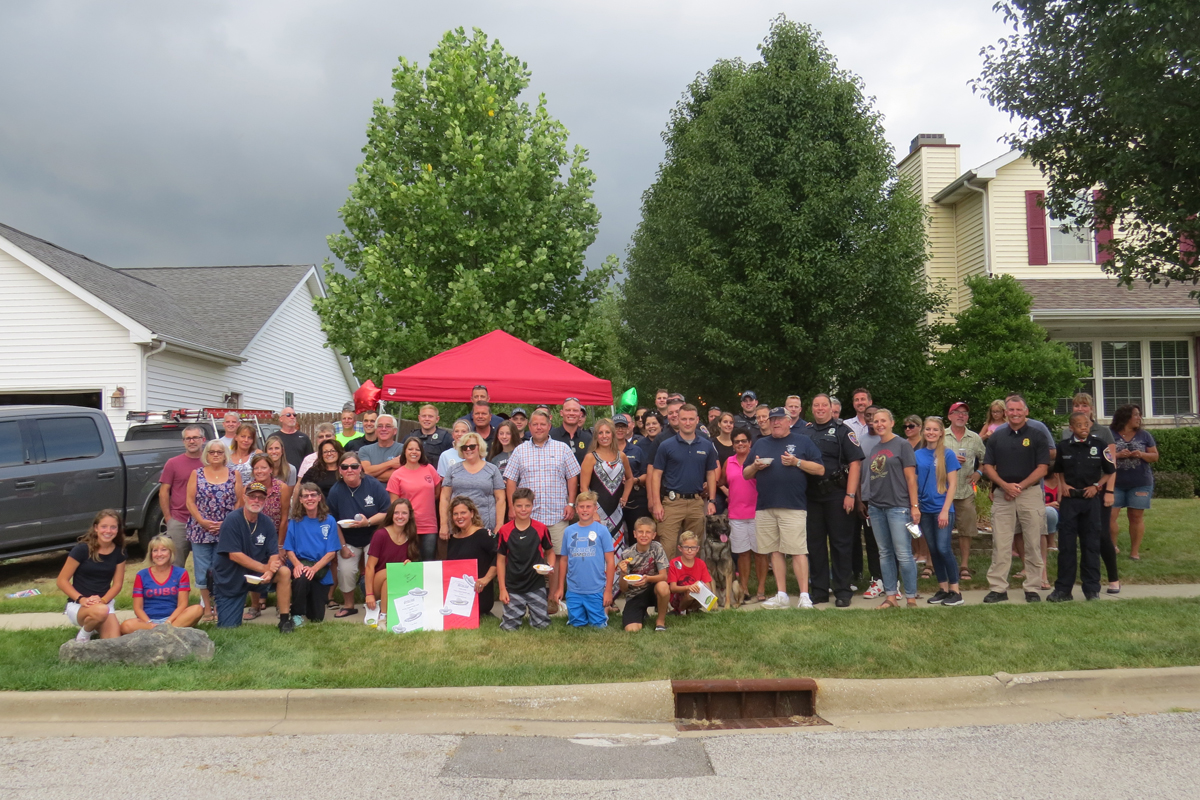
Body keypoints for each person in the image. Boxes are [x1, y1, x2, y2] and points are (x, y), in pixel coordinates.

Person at [743, 407, 825, 610]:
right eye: (772, 420)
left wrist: (797, 462)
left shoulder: (803, 441)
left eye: (779, 419)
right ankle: (782, 595)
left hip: (793, 505)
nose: (775, 423)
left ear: (789, 421)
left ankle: (804, 596)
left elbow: (820, 469)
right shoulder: (761, 443)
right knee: (775, 550)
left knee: (797, 551)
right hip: (765, 506)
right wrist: (755, 467)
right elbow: (746, 473)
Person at [981, 394, 1052, 603]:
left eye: (1018, 410)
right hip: (1004, 496)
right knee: (1001, 543)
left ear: (1026, 412)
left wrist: (1020, 486)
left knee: (1032, 542)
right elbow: (987, 466)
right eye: (1010, 410)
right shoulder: (996, 437)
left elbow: (1043, 468)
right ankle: (998, 588)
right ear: (1006, 413)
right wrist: (1004, 486)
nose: (1014, 413)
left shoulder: (1037, 435)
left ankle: (1032, 588)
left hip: (1029, 494)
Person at [802, 394, 864, 608]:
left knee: (841, 544)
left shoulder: (842, 431)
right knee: (815, 545)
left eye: (823, 405)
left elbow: (855, 463)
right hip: (812, 496)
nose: (820, 408)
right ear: (812, 408)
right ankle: (819, 591)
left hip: (837, 495)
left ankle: (843, 590)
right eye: (816, 405)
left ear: (831, 408)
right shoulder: (805, 432)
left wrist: (850, 495)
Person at [1048, 412, 1117, 602]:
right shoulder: (1063, 447)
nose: (1083, 428)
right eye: (1079, 425)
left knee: (1091, 545)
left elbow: (1110, 470)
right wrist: (1063, 486)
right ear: (1071, 428)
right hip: (1070, 500)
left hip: (1090, 500)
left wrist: (1097, 487)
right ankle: (1063, 590)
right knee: (1067, 546)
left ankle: (1092, 590)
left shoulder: (1099, 445)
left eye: (1086, 424)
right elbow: (1059, 470)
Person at [859, 409, 920, 609]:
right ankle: (891, 596)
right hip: (877, 507)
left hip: (898, 507)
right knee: (884, 553)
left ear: (892, 422)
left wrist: (914, 506)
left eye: (883, 420)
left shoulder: (902, 445)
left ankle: (910, 597)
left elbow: (911, 478)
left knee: (903, 554)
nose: (879, 424)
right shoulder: (875, 448)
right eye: (876, 421)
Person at [211, 482, 293, 631]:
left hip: (256, 575)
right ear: (244, 497)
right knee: (228, 628)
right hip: (230, 578)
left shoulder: (267, 523)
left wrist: (269, 571)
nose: (256, 500)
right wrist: (265, 567)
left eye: (260, 498)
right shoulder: (232, 520)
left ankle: (284, 621)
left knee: (284, 572)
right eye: (252, 496)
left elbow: (274, 554)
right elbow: (234, 555)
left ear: (265, 500)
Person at [503, 407, 581, 560]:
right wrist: (512, 508)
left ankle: (556, 585)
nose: (539, 428)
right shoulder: (519, 451)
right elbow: (511, 480)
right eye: (535, 424)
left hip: (557, 514)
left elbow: (572, 477)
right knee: (529, 556)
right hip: (529, 516)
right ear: (529, 427)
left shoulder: (562, 449)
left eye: (542, 424)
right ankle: (535, 585)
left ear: (549, 426)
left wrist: (571, 504)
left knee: (558, 555)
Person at [1065, 393, 1119, 592]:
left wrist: (1109, 491)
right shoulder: (1067, 433)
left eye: (1084, 406)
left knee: (1102, 535)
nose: (1080, 409)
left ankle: (1113, 578)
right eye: (1076, 405)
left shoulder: (1103, 432)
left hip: (1099, 492)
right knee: (1075, 537)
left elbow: (1111, 465)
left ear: (1091, 409)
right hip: (1075, 495)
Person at [649, 404, 718, 559]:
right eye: (684, 419)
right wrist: (656, 503)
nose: (687, 422)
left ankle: (691, 582)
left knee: (693, 548)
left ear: (697, 420)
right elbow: (656, 475)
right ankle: (667, 583)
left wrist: (712, 500)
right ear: (677, 420)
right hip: (672, 503)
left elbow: (711, 473)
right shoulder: (666, 445)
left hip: (696, 502)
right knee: (668, 548)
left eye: (691, 419)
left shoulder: (706, 445)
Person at [327, 452, 391, 615]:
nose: (350, 470)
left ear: (360, 468)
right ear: (340, 470)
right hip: (348, 539)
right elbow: (333, 523)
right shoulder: (335, 491)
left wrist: (367, 522)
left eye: (354, 466)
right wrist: (342, 547)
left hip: (373, 536)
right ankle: (349, 605)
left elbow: (386, 512)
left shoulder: (373, 485)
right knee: (346, 570)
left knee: (374, 569)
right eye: (345, 467)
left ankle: (375, 603)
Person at [186, 439, 243, 621]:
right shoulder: (197, 474)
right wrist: (201, 521)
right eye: (212, 452)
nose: (216, 455)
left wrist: (227, 523)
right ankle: (207, 608)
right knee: (202, 569)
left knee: (222, 569)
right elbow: (189, 501)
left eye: (219, 452)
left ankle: (220, 605)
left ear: (225, 454)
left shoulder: (235, 474)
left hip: (226, 530)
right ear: (206, 455)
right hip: (200, 529)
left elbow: (240, 501)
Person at [56, 510, 127, 642]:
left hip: (104, 603)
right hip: (79, 605)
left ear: (118, 530)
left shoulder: (119, 552)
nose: (108, 531)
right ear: (96, 528)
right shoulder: (81, 550)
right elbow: (61, 581)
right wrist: (82, 599)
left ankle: (95, 625)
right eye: (104, 526)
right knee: (99, 612)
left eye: (113, 527)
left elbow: (117, 585)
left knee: (114, 642)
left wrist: (103, 600)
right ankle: (83, 636)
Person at [916, 417, 963, 606]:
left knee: (944, 548)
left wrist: (945, 510)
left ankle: (955, 590)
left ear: (941, 432)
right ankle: (943, 588)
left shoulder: (948, 455)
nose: (931, 432)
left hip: (942, 509)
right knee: (933, 550)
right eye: (928, 429)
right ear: (923, 432)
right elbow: (914, 481)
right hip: (925, 509)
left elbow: (952, 485)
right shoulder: (917, 454)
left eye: (935, 429)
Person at [551, 491, 615, 628]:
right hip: (574, 589)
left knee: (597, 625)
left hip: (596, 589)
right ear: (576, 509)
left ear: (595, 509)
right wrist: (560, 587)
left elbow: (610, 561)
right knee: (576, 624)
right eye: (581, 507)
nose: (585, 510)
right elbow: (563, 560)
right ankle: (579, 612)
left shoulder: (602, 531)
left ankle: (604, 611)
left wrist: (608, 590)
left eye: (588, 506)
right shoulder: (569, 531)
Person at [120, 534, 204, 634]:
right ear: (151, 554)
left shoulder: (181, 573)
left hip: (173, 620)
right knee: (126, 625)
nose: (159, 554)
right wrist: (149, 623)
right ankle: (167, 633)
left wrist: (168, 622)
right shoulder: (141, 575)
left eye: (163, 550)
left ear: (170, 552)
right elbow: (138, 608)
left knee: (197, 609)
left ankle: (164, 632)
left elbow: (182, 604)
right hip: (148, 622)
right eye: (155, 550)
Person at [496, 487, 554, 631]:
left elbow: (550, 551)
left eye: (527, 505)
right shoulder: (504, 531)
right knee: (509, 628)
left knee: (542, 626)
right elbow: (500, 561)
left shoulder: (541, 528)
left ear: (532, 506)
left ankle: (537, 616)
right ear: (513, 506)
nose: (523, 509)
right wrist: (502, 589)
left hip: (536, 584)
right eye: (519, 506)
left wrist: (550, 566)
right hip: (513, 587)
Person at [844, 390, 883, 598]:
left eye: (875, 416)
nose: (871, 419)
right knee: (869, 541)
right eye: (868, 416)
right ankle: (874, 578)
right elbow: (856, 472)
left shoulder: (893, 441)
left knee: (884, 542)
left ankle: (888, 579)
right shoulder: (859, 441)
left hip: (887, 499)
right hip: (865, 498)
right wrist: (858, 500)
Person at [244, 453, 292, 618]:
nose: (259, 471)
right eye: (256, 468)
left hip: (277, 535)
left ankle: (281, 606)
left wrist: (280, 546)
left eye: (263, 467)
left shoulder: (282, 488)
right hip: (255, 536)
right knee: (254, 568)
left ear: (271, 469)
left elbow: (285, 517)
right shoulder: (249, 488)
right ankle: (255, 606)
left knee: (280, 569)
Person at [724, 427, 769, 603]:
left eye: (744, 441)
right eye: (737, 441)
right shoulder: (729, 461)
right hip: (736, 514)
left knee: (760, 552)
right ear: (732, 444)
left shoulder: (758, 461)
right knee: (742, 553)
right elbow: (721, 481)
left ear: (750, 443)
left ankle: (761, 588)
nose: (740, 444)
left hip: (758, 511)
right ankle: (743, 587)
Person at [284, 483, 340, 622]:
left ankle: (308, 607)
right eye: (305, 496)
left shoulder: (329, 521)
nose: (310, 499)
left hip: (320, 569)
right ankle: (296, 614)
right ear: (301, 500)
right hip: (302, 565)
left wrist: (314, 569)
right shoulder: (295, 521)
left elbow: (331, 553)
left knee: (316, 617)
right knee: (302, 577)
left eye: (313, 495)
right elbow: (289, 549)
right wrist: (297, 565)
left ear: (319, 498)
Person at [365, 498, 421, 630]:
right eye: (396, 513)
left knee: (391, 577)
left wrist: (410, 563)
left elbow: (411, 565)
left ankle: (386, 615)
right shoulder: (380, 535)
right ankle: (383, 618)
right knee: (391, 572)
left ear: (410, 515)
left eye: (404, 513)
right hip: (374, 582)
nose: (400, 516)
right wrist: (369, 594)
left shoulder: (411, 535)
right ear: (391, 514)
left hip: (396, 581)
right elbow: (369, 567)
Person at [945, 402, 985, 581]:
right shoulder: (941, 436)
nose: (961, 416)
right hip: (943, 491)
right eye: (957, 412)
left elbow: (986, 459)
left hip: (965, 490)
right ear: (950, 416)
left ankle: (964, 566)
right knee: (939, 528)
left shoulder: (974, 438)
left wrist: (979, 472)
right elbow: (930, 458)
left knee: (966, 530)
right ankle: (933, 564)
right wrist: (949, 459)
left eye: (964, 413)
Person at [158, 424, 206, 569]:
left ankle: (205, 592)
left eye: (195, 438)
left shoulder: (210, 462)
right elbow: (163, 491)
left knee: (205, 565)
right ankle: (174, 591)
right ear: (183, 441)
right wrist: (169, 518)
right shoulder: (173, 463)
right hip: (179, 521)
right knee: (175, 564)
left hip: (204, 522)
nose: (192, 441)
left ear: (203, 439)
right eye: (188, 438)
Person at [579, 418, 634, 544]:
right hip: (597, 510)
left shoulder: (622, 456)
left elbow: (630, 478)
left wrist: (625, 496)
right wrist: (593, 511)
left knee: (617, 546)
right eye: (600, 433)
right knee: (597, 544)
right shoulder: (590, 458)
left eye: (607, 432)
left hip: (617, 510)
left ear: (613, 435)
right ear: (596, 436)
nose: (604, 436)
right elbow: (584, 488)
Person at [387, 437, 442, 559]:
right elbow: (394, 504)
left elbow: (437, 493)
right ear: (404, 452)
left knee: (428, 563)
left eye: (417, 449)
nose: (414, 452)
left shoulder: (429, 469)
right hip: (407, 526)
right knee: (407, 563)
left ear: (421, 452)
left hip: (429, 525)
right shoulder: (397, 475)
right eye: (410, 449)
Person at [445, 496, 499, 616]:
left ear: (472, 513)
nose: (459, 517)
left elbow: (500, 556)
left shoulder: (483, 534)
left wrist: (486, 579)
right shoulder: (453, 539)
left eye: (463, 512)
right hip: (457, 595)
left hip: (479, 593)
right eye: (455, 514)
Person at [441, 432, 506, 532]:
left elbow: (500, 498)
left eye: (472, 446)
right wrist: (444, 525)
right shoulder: (452, 470)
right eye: (464, 447)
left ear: (479, 447)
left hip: (485, 526)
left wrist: (500, 524)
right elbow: (445, 498)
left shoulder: (492, 469)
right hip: (458, 526)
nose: (468, 449)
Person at [619, 517, 670, 631]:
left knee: (663, 586)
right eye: (640, 532)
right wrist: (623, 573)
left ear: (653, 535)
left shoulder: (657, 548)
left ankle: (660, 621)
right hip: (635, 594)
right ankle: (641, 612)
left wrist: (647, 579)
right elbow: (623, 588)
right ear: (634, 534)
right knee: (632, 630)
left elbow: (664, 576)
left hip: (653, 590)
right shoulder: (627, 554)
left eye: (648, 532)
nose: (644, 535)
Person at [614, 414, 649, 543]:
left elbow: (646, 474)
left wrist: (635, 480)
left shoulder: (636, 450)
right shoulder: (605, 450)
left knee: (637, 535)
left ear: (628, 428)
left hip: (635, 499)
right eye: (616, 427)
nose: (620, 430)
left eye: (623, 426)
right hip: (612, 499)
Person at [667, 530, 714, 614]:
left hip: (697, 595)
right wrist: (688, 587)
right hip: (678, 597)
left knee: (695, 590)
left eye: (693, 548)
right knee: (690, 592)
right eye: (686, 547)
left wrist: (699, 585)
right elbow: (672, 588)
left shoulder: (701, 563)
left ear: (698, 549)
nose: (689, 551)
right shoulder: (674, 563)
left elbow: (708, 587)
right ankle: (681, 610)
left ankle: (693, 609)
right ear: (680, 548)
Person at [360, 414, 405, 484]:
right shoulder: (365, 450)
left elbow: (399, 475)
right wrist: (391, 463)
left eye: (388, 426)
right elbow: (366, 472)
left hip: (394, 494)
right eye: (380, 426)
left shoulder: (403, 449)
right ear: (375, 430)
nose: (383, 429)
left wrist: (372, 474)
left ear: (395, 431)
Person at [552, 398, 593, 463]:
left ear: (580, 414)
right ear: (561, 413)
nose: (571, 413)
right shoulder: (551, 437)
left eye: (575, 410)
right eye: (568, 410)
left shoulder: (588, 439)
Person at [228, 423, 259, 487]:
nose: (246, 440)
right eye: (243, 436)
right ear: (236, 437)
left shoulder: (257, 455)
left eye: (249, 438)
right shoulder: (227, 457)